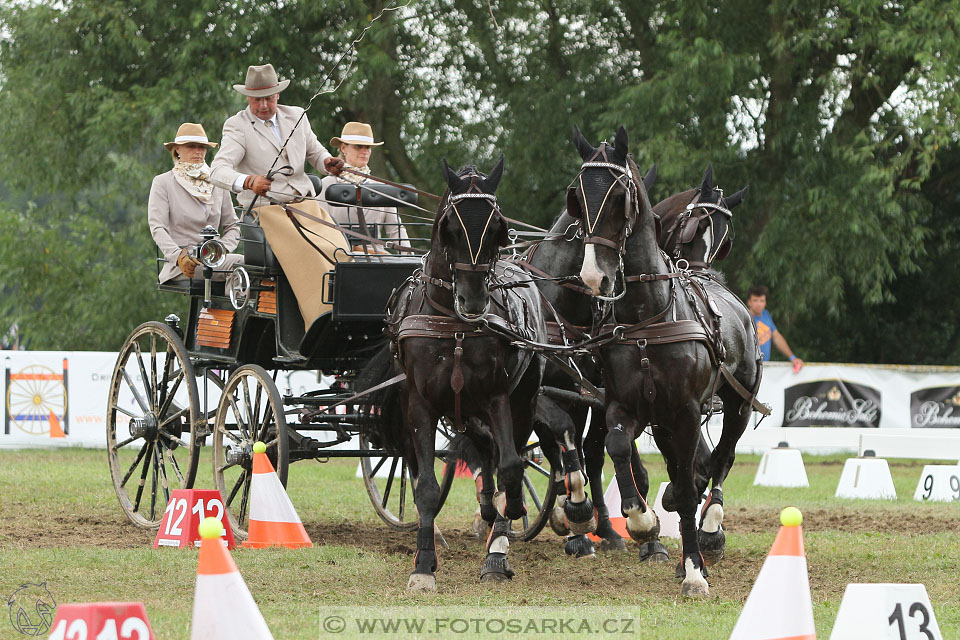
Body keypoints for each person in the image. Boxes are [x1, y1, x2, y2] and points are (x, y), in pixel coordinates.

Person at [209, 63, 350, 329]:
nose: (263, 105)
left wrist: (328, 163)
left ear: (278, 96)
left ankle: (350, 313)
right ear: (248, 98)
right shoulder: (237, 126)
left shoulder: (296, 116)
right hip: (267, 210)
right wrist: (248, 181)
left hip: (306, 206)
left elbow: (316, 153)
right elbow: (217, 171)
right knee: (310, 254)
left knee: (339, 251)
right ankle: (320, 322)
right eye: (256, 99)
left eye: (268, 98)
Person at [148, 122, 243, 283]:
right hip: (183, 264)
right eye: (191, 146)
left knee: (254, 267)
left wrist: (221, 250)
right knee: (241, 264)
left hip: (214, 259)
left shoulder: (216, 181)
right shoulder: (163, 182)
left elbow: (233, 226)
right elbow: (157, 227)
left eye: (202, 147)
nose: (198, 151)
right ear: (177, 149)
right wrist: (178, 256)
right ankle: (240, 308)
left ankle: (226, 308)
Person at [319, 122, 410, 251]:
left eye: (368, 147)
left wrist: (410, 258)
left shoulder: (382, 188)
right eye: (359, 146)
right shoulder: (327, 185)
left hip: (376, 260)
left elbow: (396, 229)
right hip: (338, 258)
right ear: (344, 148)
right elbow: (319, 227)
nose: (365, 151)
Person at [746, 285, 804, 372]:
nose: (759, 304)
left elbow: (776, 337)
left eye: (762, 300)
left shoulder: (766, 314)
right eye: (755, 300)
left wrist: (792, 357)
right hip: (748, 370)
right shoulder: (744, 317)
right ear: (749, 302)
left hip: (764, 368)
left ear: (765, 302)